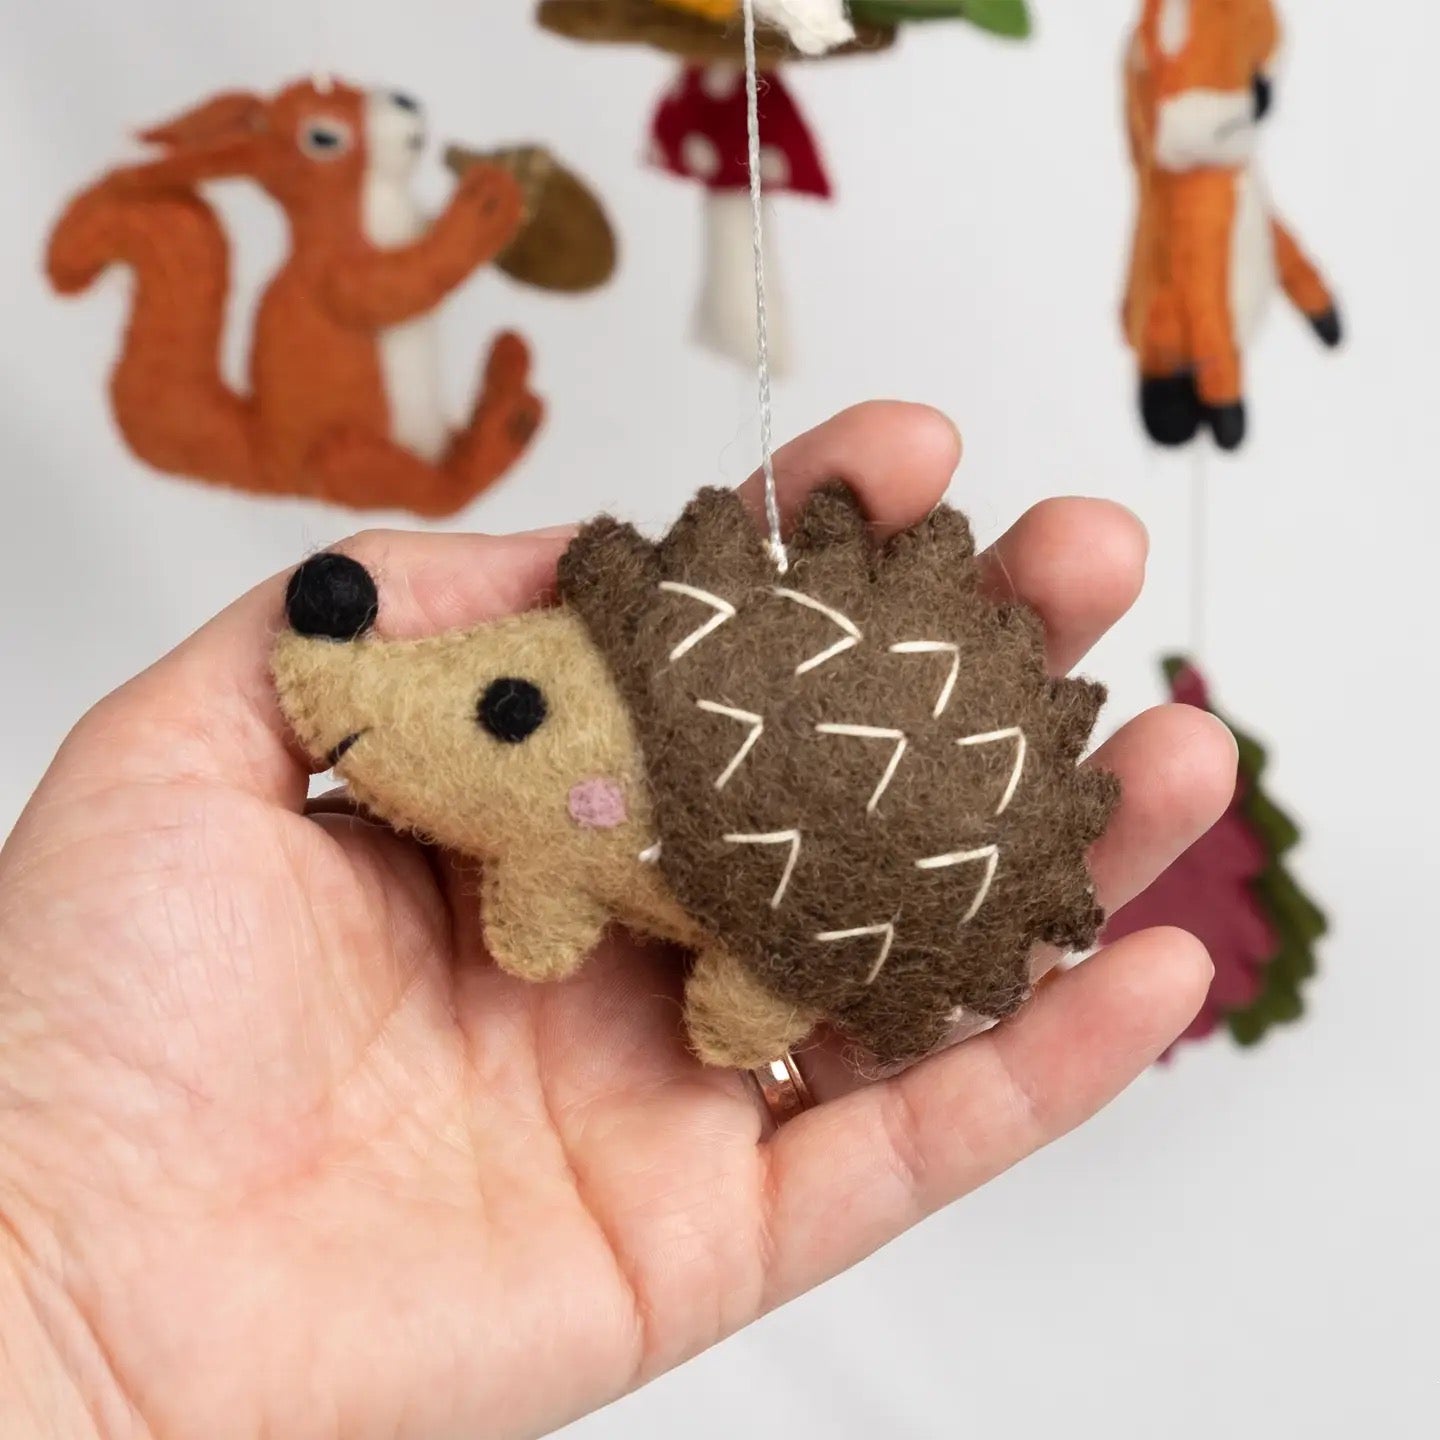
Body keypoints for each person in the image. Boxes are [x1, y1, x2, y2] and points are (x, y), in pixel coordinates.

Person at [0, 405, 1235, 1439]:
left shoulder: (585, 800)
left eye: (510, 710)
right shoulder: (568, 794)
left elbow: (547, 889)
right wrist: (51, 1276)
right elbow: (544, 888)